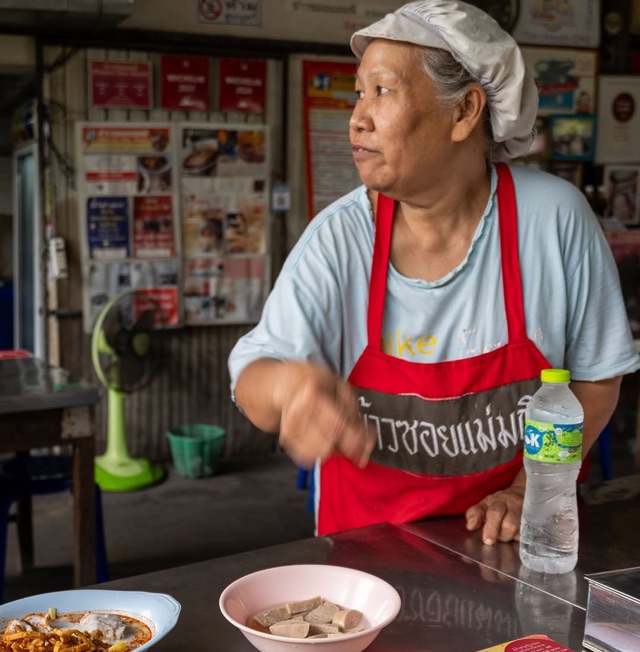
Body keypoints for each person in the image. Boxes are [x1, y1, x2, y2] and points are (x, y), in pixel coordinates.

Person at [229, 0, 640, 544]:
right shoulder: (340, 238)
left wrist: (528, 490)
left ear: (465, 111)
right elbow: (253, 377)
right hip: (368, 567)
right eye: (358, 93)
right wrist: (287, 388)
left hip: (516, 548)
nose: (357, 116)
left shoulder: (553, 219)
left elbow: (596, 378)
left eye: (383, 90)